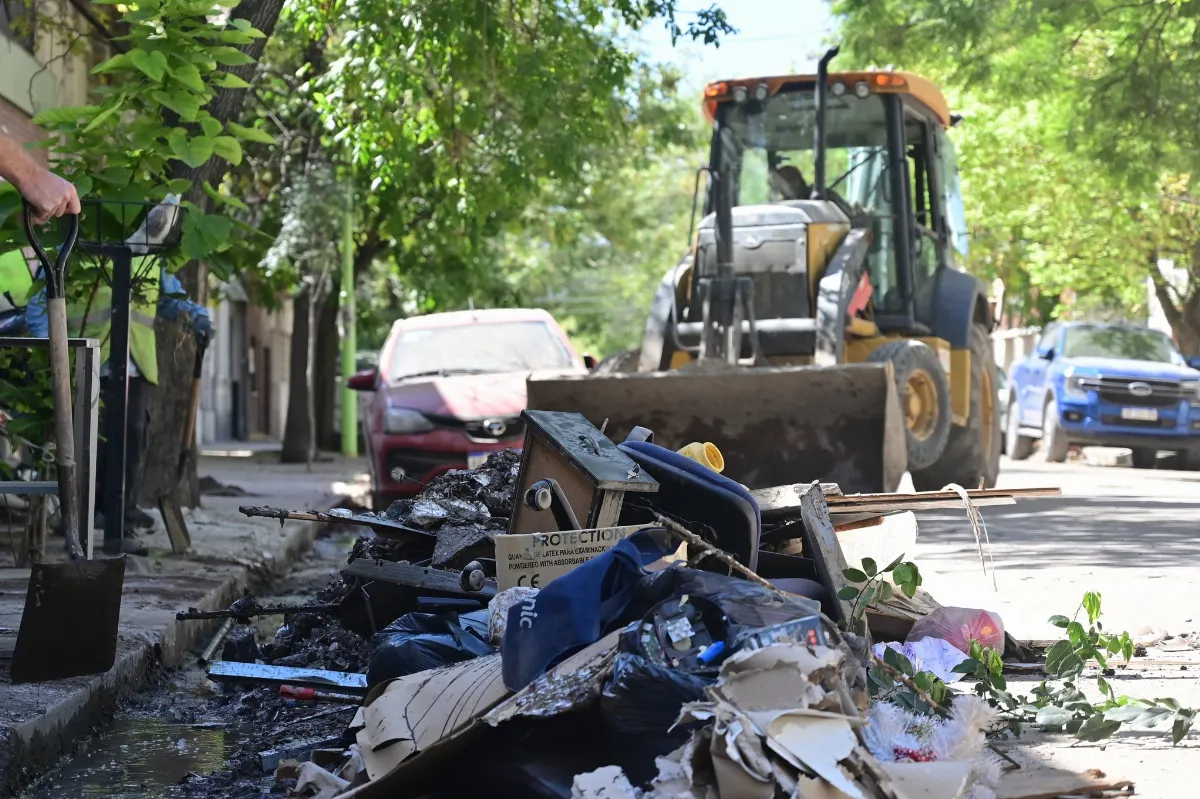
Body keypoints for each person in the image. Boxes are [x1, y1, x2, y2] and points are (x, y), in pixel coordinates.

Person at [24, 227, 214, 534]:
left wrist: (197, 317)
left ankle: (121, 510)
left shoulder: (148, 260)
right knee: (90, 442)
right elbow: (38, 305)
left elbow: (168, 299)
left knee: (133, 439)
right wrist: (49, 346)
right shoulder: (75, 253)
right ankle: (88, 512)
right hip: (88, 365)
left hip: (135, 365)